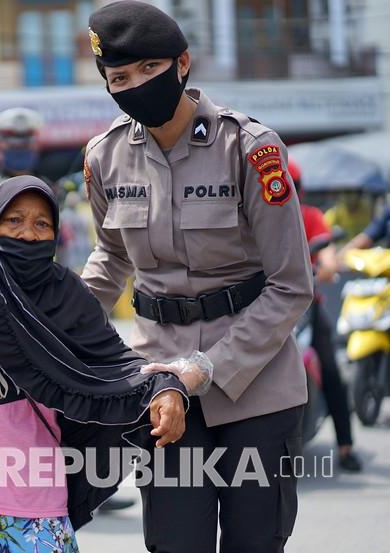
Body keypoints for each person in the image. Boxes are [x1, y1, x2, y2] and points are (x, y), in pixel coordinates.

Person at [81, 3, 314, 552]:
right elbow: (111, 257)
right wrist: (51, 331)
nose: (135, 85)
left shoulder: (251, 149)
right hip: (159, 383)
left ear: (183, 64)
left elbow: (290, 284)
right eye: (119, 78)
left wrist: (207, 368)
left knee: (254, 542)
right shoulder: (105, 156)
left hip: (255, 385)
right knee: (175, 541)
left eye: (149, 69)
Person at [0, 124, 209, 552]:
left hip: (35, 496)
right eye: (13, 221)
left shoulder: (68, 296)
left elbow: (116, 365)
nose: (28, 233)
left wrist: (166, 386)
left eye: (40, 224)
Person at [289, 160, 362, 472]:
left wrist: (327, 266)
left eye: (287, 186)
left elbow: (328, 254)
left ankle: (345, 447)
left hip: (307, 307)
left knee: (331, 371)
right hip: (263, 309)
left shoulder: (311, 217)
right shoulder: (253, 215)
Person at [0, 107, 45, 223]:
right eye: (13, 147)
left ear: (36, 147)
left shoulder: (47, 188)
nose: (20, 151)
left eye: (25, 145)